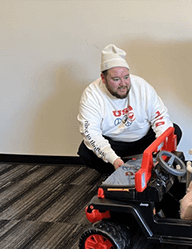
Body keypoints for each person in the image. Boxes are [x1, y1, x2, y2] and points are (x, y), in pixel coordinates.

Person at [77, 44, 182, 174]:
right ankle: (116, 171)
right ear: (103, 78)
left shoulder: (141, 86)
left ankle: (152, 169)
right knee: (85, 151)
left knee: (174, 130)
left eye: (126, 77)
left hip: (144, 141)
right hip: (115, 144)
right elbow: (91, 132)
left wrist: (162, 150)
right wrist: (113, 158)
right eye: (116, 79)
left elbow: (160, 117)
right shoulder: (92, 94)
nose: (123, 84)